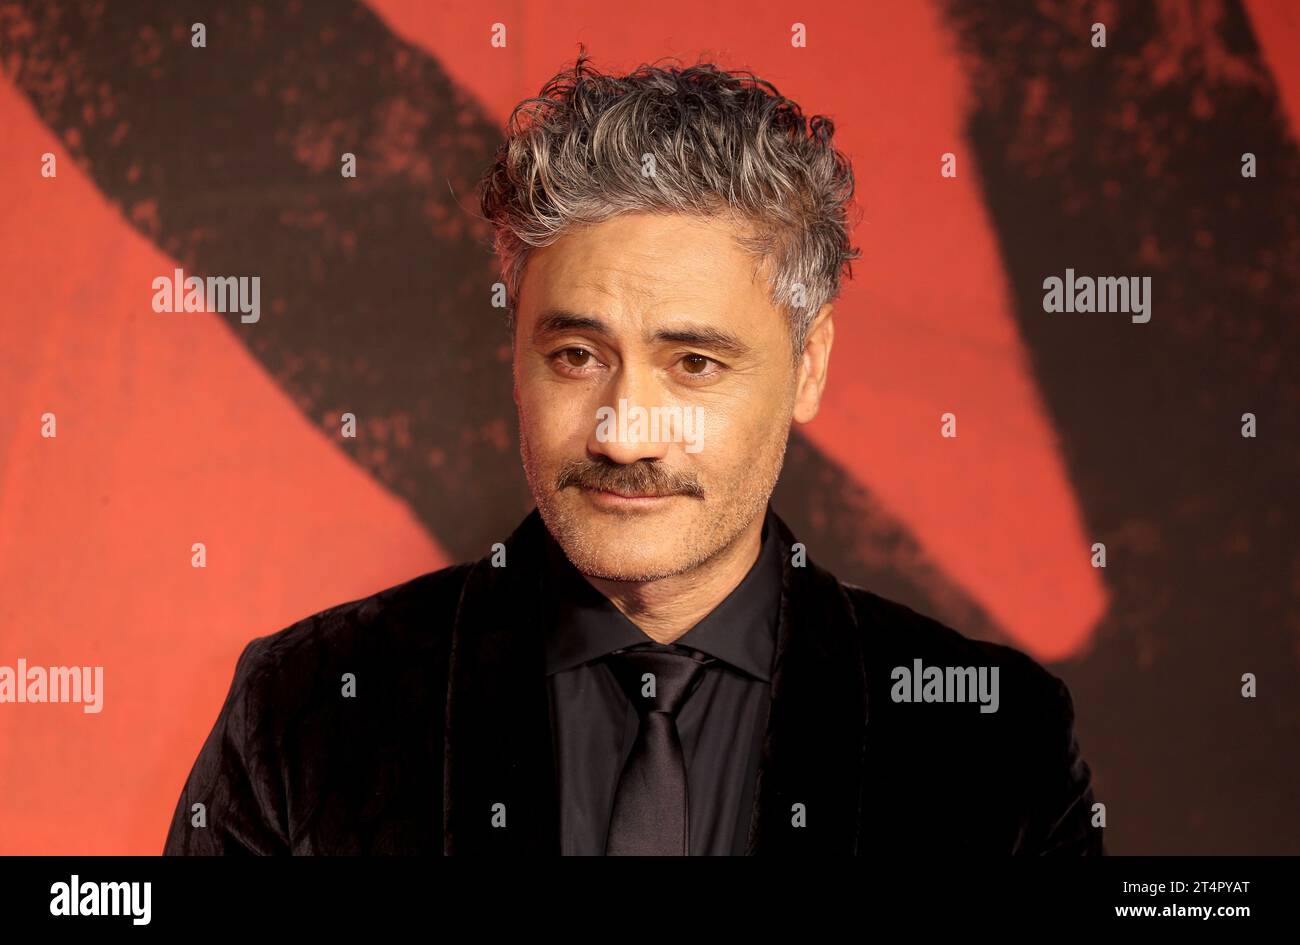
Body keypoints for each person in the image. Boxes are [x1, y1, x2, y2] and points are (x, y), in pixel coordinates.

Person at [164, 55, 1103, 856]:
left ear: (808, 365)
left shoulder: (996, 743)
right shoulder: (305, 711)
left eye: (693, 362)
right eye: (576, 357)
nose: (623, 431)